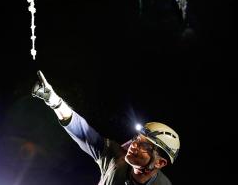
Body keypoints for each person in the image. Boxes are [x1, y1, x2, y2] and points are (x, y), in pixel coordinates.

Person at [32, 71, 180, 185]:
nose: (134, 144)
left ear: (160, 163)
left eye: (145, 145)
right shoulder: (116, 158)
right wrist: (56, 103)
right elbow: (83, 132)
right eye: (137, 139)